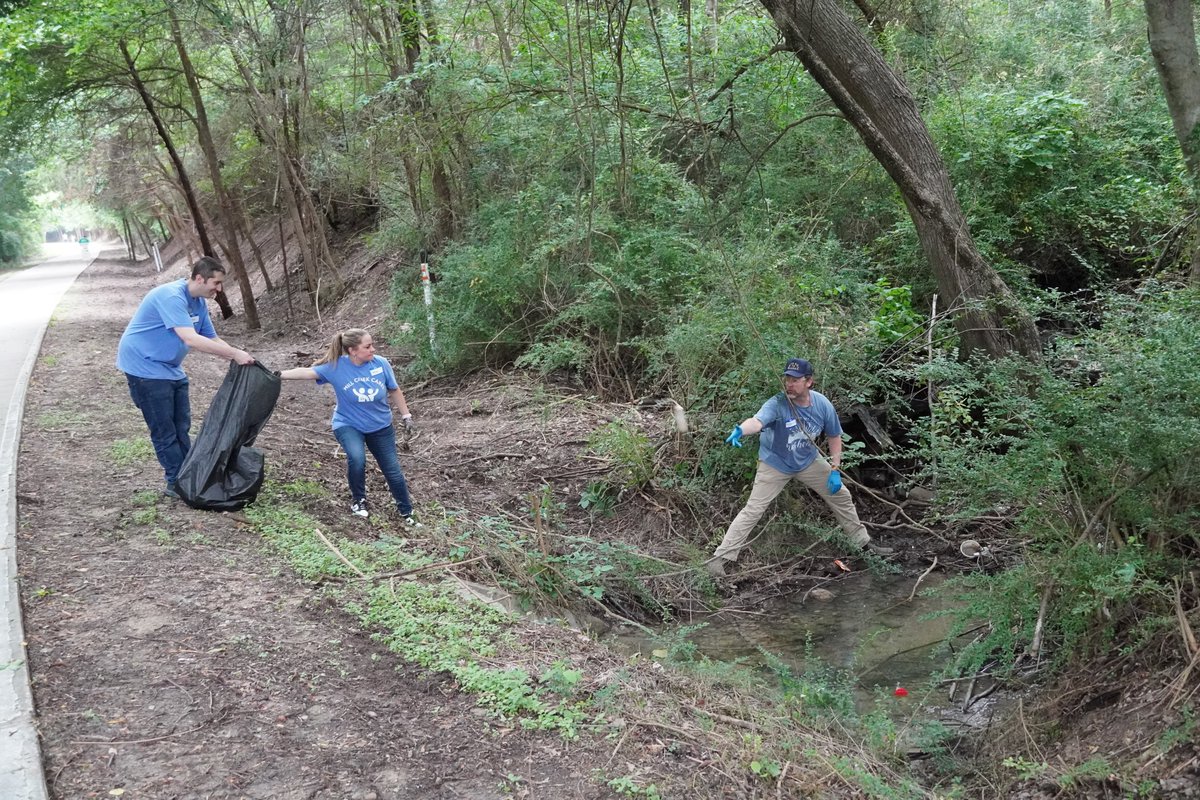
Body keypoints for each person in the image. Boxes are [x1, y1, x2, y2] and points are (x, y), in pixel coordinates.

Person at [706, 357, 892, 577]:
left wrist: (835, 469)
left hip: (808, 462)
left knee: (841, 495)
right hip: (775, 463)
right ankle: (719, 559)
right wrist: (741, 429)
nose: (789, 384)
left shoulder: (822, 404)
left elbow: (834, 435)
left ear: (809, 382)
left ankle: (862, 545)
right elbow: (757, 421)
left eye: (795, 380)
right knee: (753, 509)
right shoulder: (778, 403)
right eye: (787, 379)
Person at [117, 256, 255, 498]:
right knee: (165, 429)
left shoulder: (199, 302)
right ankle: (176, 482)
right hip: (144, 367)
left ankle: (188, 476)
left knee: (182, 425)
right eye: (216, 283)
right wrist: (233, 354)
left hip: (170, 368)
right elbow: (190, 339)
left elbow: (211, 338)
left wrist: (238, 356)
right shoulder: (171, 296)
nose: (219, 289)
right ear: (199, 278)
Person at [279, 328, 420, 526]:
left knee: (393, 470)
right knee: (357, 458)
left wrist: (407, 416)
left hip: (380, 426)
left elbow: (394, 389)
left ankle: (406, 512)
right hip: (348, 423)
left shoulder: (381, 364)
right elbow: (307, 372)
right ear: (353, 350)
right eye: (368, 346)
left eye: (372, 345)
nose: (373, 349)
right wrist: (278, 374)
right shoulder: (336, 367)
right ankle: (358, 501)